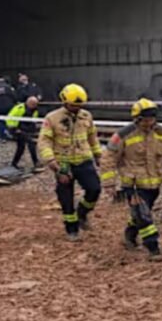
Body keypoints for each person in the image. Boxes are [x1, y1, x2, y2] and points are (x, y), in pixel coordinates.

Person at [100, 98, 162, 260]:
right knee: (144, 216)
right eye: (145, 119)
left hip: (154, 184)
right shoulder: (123, 135)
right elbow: (108, 158)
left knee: (139, 215)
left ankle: (129, 235)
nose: (149, 122)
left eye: (151, 119)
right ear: (137, 118)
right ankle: (153, 248)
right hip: (133, 185)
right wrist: (109, 183)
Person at [37, 83, 102, 241]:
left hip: (84, 160)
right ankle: (71, 229)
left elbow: (92, 137)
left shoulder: (86, 116)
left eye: (79, 105)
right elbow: (44, 141)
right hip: (63, 163)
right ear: (65, 102)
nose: (76, 108)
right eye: (73, 105)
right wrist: (52, 162)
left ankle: (82, 214)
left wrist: (98, 155)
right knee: (66, 198)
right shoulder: (52, 118)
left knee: (94, 189)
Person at [7, 97, 41, 172]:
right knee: (30, 144)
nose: (34, 106)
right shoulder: (19, 108)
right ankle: (35, 162)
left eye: (35, 104)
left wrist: (35, 129)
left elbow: (33, 120)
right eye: (33, 104)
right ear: (28, 103)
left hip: (28, 129)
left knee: (22, 147)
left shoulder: (35, 110)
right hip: (18, 129)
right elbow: (9, 118)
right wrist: (14, 129)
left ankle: (14, 163)